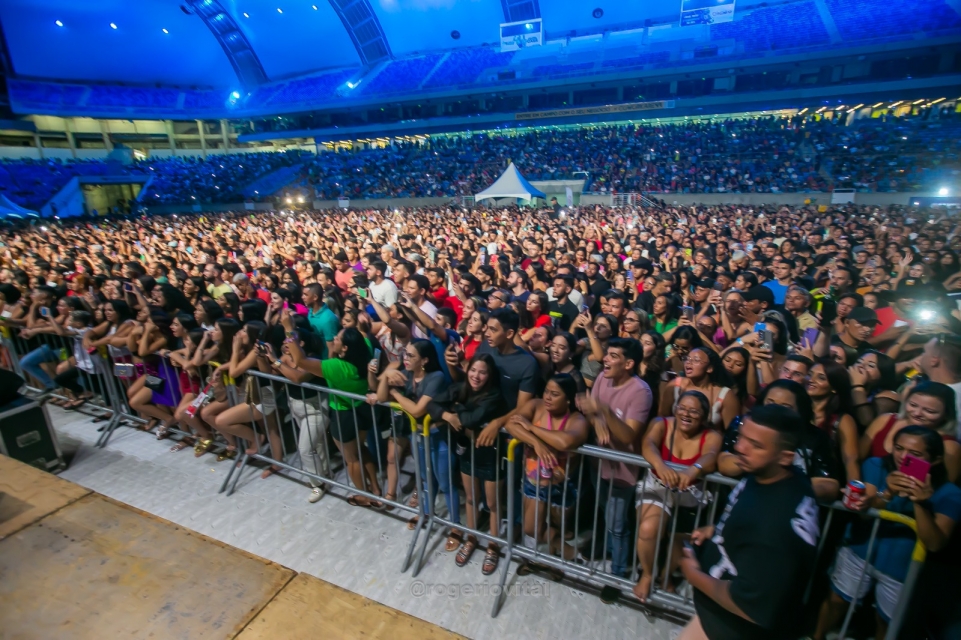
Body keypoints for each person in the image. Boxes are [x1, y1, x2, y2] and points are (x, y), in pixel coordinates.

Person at [679, 404, 819, 640]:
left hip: (734, 630)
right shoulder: (777, 476)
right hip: (715, 620)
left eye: (756, 445)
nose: (739, 448)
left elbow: (747, 605)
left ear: (785, 457)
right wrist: (717, 531)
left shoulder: (776, 527)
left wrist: (693, 574)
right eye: (742, 436)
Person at [812, 426, 961, 640]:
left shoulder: (951, 494)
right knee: (836, 601)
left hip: (901, 570)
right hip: (860, 550)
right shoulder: (876, 465)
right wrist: (888, 493)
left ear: (935, 460)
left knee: (885, 622)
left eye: (916, 454)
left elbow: (935, 543)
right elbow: (864, 513)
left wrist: (920, 503)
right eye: (898, 448)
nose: (903, 457)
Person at [576, 338, 652, 580]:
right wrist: (597, 419)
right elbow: (590, 411)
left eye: (612, 356)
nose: (605, 359)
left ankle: (619, 572)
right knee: (606, 514)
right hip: (598, 464)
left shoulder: (641, 392)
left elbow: (628, 434)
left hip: (623, 471)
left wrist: (604, 412)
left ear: (629, 363)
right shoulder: (602, 377)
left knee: (618, 525)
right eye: (606, 354)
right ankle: (608, 555)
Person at [634, 390, 721, 602]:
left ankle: (665, 576)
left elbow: (711, 455)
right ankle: (647, 574)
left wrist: (694, 469)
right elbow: (648, 444)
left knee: (679, 546)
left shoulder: (712, 435)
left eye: (694, 411)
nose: (686, 414)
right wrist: (660, 465)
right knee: (648, 530)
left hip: (691, 494)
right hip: (657, 486)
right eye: (682, 408)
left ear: (704, 416)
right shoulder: (661, 423)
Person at [289, 327, 383, 507]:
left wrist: (288, 330)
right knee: (361, 449)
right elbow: (363, 336)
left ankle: (364, 495)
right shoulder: (364, 350)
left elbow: (300, 360)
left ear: (346, 348)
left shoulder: (338, 368)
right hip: (363, 409)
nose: (334, 338)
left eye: (338, 339)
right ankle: (376, 489)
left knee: (351, 458)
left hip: (343, 415)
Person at [503, 374, 589, 560]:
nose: (548, 397)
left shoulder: (577, 420)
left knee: (558, 527)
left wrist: (531, 428)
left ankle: (550, 563)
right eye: (546, 391)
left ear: (568, 400)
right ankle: (567, 551)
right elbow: (511, 424)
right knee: (531, 527)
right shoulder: (536, 405)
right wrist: (536, 443)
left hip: (562, 485)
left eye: (555, 394)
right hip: (536, 481)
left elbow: (565, 441)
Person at [436, 353, 508, 574]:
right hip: (469, 453)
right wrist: (447, 415)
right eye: (473, 370)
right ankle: (471, 538)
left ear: (490, 375)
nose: (476, 376)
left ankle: (493, 546)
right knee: (470, 498)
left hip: (490, 455)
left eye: (483, 372)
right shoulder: (460, 388)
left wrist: (456, 408)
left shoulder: (494, 395)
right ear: (467, 370)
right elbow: (433, 403)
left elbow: (471, 420)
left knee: (492, 504)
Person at [719, 379, 842, 501]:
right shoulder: (744, 423)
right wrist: (760, 461)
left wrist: (784, 486)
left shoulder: (816, 437)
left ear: (800, 411)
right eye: (770, 403)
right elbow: (724, 462)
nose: (775, 410)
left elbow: (830, 485)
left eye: (785, 407)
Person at [861, 381, 961, 483]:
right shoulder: (885, 420)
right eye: (913, 405)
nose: (917, 413)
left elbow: (945, 489)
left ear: (946, 414)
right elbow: (858, 457)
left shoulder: (949, 447)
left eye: (929, 411)